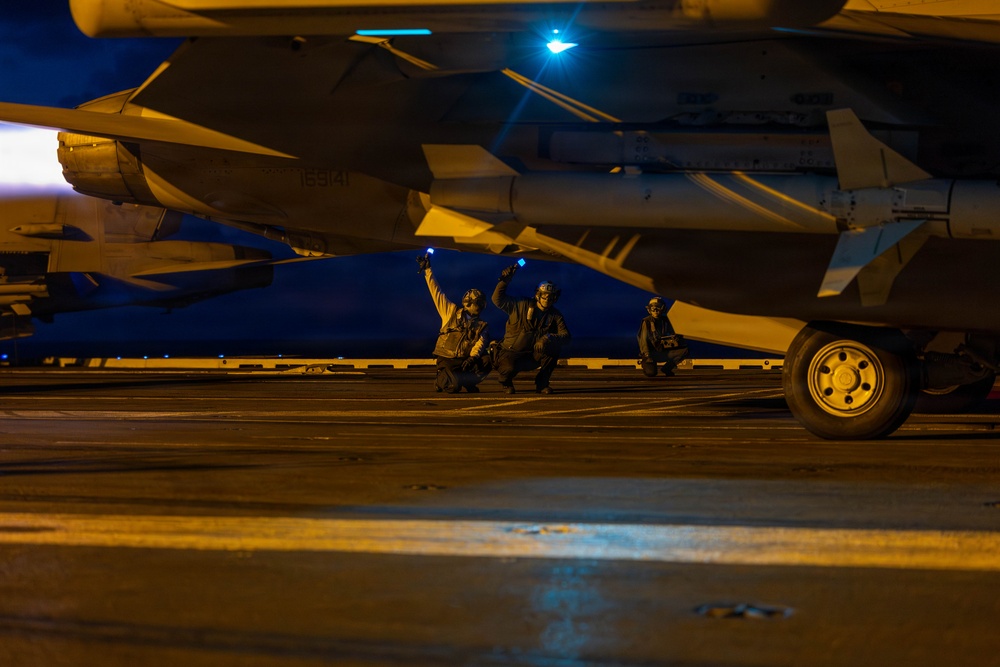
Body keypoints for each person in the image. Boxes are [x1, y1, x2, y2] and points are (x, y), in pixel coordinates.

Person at [491, 262, 571, 394]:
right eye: (544, 295)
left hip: (531, 355)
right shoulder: (520, 304)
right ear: (538, 294)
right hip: (510, 353)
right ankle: (505, 382)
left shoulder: (554, 315)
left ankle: (542, 384)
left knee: (554, 348)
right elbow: (497, 299)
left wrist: (548, 337)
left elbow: (566, 336)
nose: (547, 299)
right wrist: (504, 281)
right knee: (508, 368)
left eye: (551, 296)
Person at [417, 252, 490, 393]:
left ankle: (468, 382)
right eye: (478, 303)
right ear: (468, 303)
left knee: (487, 360)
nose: (481, 306)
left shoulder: (482, 325)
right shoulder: (450, 312)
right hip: (447, 359)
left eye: (482, 303)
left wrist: (473, 358)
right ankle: (442, 379)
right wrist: (428, 271)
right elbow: (436, 292)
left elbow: (479, 345)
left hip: (465, 360)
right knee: (453, 388)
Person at [638, 296, 688, 377]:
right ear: (649, 310)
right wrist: (647, 355)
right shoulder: (646, 322)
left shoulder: (665, 320)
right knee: (651, 373)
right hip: (651, 354)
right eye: (653, 308)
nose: (655, 310)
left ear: (662, 308)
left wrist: (676, 337)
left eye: (657, 307)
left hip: (662, 351)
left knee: (685, 350)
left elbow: (673, 333)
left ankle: (667, 368)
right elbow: (643, 340)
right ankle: (647, 364)